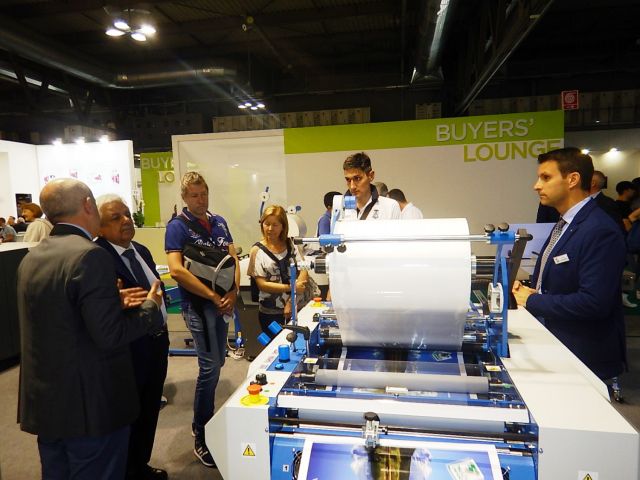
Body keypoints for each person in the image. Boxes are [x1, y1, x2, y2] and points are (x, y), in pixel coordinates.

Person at [17, 178, 164, 480]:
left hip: (48, 405)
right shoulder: (90, 255)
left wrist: (111, 302)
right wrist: (150, 308)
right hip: (90, 407)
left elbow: (60, 319)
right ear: (87, 205)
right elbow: (110, 335)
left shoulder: (33, 257)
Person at [512, 147, 626, 381]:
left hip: (583, 357)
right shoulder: (565, 223)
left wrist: (532, 300)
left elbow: (594, 302)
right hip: (557, 347)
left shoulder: (599, 229)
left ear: (572, 179)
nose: (536, 186)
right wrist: (529, 290)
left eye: (545, 177)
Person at [165, 172, 240, 468]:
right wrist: (211, 296)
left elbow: (233, 258)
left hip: (223, 304)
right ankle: (201, 432)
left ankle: (207, 422)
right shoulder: (178, 226)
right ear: (185, 197)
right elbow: (176, 270)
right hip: (199, 306)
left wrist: (233, 292)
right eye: (194, 195)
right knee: (209, 368)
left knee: (219, 362)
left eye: (204, 194)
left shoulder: (219, 221)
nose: (200, 200)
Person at [95, 194, 169, 480]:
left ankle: (140, 465)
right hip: (129, 349)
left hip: (156, 343)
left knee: (150, 408)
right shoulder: (97, 257)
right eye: (116, 218)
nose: (126, 220)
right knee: (129, 414)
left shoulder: (140, 250)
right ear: (100, 227)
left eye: (127, 214)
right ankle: (126, 471)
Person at [248, 205, 308, 335]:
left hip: (296, 307)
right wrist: (291, 287)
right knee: (275, 344)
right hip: (271, 313)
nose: (270, 229)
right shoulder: (257, 251)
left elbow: (303, 269)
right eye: (267, 224)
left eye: (275, 225)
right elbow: (262, 284)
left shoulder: (291, 245)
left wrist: (291, 302)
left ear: (283, 226)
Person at [343, 152, 401, 220]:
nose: (352, 186)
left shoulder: (390, 207)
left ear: (371, 176)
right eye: (348, 180)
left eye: (357, 178)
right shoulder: (339, 208)